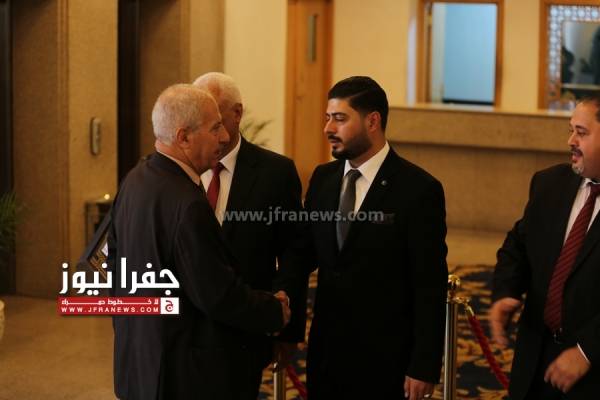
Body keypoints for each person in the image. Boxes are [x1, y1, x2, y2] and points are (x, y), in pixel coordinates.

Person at [107, 84, 290, 400]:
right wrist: (274, 310)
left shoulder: (136, 178)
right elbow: (217, 295)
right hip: (183, 375)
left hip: (138, 361)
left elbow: (114, 266)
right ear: (183, 138)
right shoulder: (188, 203)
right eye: (215, 127)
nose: (224, 137)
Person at [303, 76, 448, 400]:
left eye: (340, 119)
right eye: (327, 118)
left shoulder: (418, 190)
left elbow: (429, 284)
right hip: (326, 356)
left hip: (386, 361)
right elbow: (304, 254)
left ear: (372, 121)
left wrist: (424, 365)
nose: (328, 128)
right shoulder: (324, 179)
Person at [192, 72, 307, 397]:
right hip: (184, 330)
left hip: (242, 333)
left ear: (237, 113)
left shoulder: (276, 173)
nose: (205, 123)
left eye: (214, 113)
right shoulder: (179, 168)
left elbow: (294, 252)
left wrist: (288, 329)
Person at [490, 95, 600, 399]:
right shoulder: (549, 184)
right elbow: (517, 246)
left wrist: (587, 350)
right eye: (570, 130)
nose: (570, 141)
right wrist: (507, 291)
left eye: (581, 132)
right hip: (535, 359)